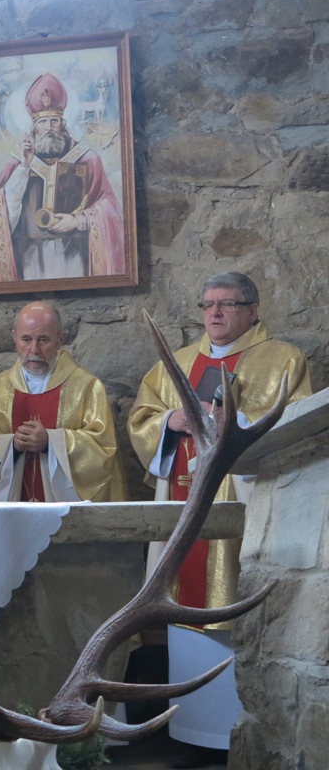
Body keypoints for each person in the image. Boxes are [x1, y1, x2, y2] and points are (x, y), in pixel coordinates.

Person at [128, 271, 312, 755]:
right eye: (207, 304)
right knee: (183, 610)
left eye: (227, 304)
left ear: (253, 311)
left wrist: (235, 423)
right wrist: (170, 421)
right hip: (183, 503)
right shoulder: (178, 362)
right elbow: (142, 418)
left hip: (241, 505)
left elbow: (297, 427)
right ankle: (189, 735)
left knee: (232, 603)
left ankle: (233, 736)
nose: (214, 313)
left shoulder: (283, 359)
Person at [0, 302, 126, 503]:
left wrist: (51, 442)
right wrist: (12, 445)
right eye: (26, 339)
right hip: (11, 510)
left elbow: (103, 448)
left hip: (66, 511)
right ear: (14, 337)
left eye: (43, 340)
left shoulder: (87, 387)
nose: (34, 350)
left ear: (60, 339)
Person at [0, 72, 125, 283]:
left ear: (63, 124)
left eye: (54, 121)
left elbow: (110, 208)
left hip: (76, 254)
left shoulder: (87, 159)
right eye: (42, 121)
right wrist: (23, 167)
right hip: (29, 256)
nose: (48, 127)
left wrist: (79, 221)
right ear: (33, 127)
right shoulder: (17, 161)